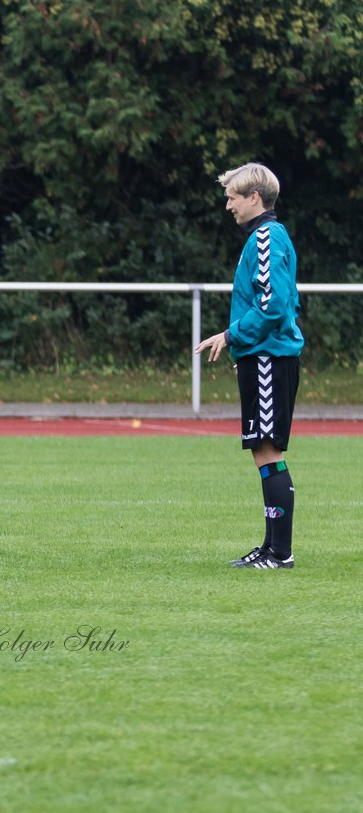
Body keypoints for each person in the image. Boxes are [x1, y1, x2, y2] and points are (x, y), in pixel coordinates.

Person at [195, 162, 302, 570]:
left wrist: (232, 337)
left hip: (269, 358)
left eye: (232, 197)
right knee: (263, 451)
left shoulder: (265, 237)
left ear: (254, 198)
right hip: (263, 356)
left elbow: (273, 305)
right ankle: (271, 547)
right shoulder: (266, 236)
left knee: (268, 450)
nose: (228, 206)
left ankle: (280, 553)